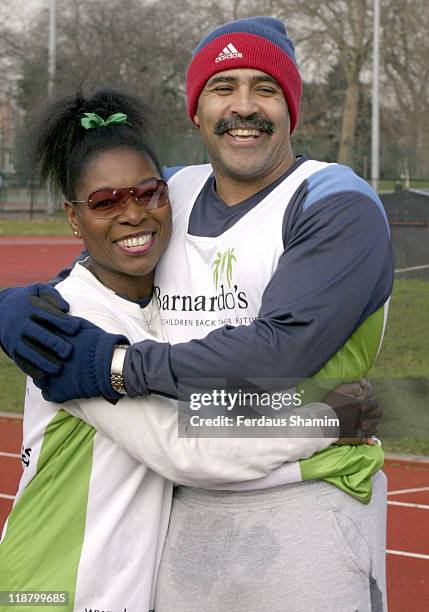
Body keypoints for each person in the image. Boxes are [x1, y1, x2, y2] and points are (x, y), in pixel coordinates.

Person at [0, 16, 393, 611]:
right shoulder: (173, 191)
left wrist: (115, 367)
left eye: (264, 88)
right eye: (222, 87)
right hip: (170, 527)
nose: (244, 106)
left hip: (305, 510)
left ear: (291, 106)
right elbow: (89, 279)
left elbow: (276, 355)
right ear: (196, 111)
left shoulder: (334, 200)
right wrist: (10, 308)